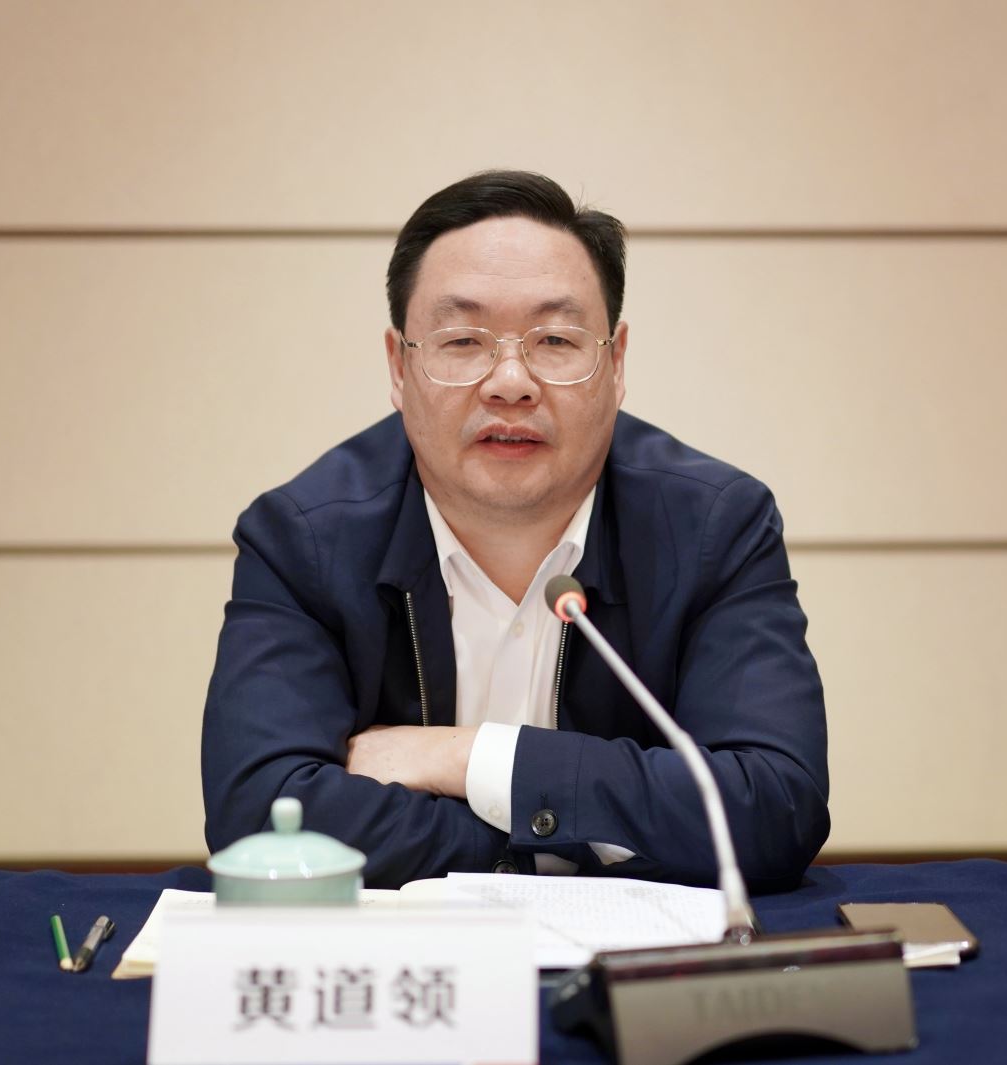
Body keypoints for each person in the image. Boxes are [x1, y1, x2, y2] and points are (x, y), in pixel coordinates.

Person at [201, 171, 829, 889]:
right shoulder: (304, 540)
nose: (510, 382)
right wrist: (557, 843)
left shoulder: (714, 528)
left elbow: (772, 806)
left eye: (556, 339)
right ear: (399, 368)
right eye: (463, 340)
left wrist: (469, 758)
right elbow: (261, 815)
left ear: (616, 363)